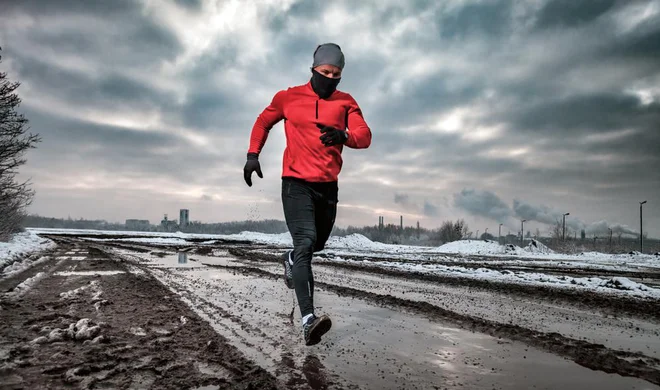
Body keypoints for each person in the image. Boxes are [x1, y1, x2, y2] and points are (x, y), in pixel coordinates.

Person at [243, 43, 372, 346]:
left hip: (327, 187)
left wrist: (345, 135)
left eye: (336, 74)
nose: (330, 78)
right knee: (306, 242)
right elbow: (263, 121)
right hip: (295, 183)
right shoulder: (288, 97)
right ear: (314, 69)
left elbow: (365, 136)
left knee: (319, 243)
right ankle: (308, 320)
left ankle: (290, 259)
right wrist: (252, 154)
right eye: (325, 72)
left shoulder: (346, 102)